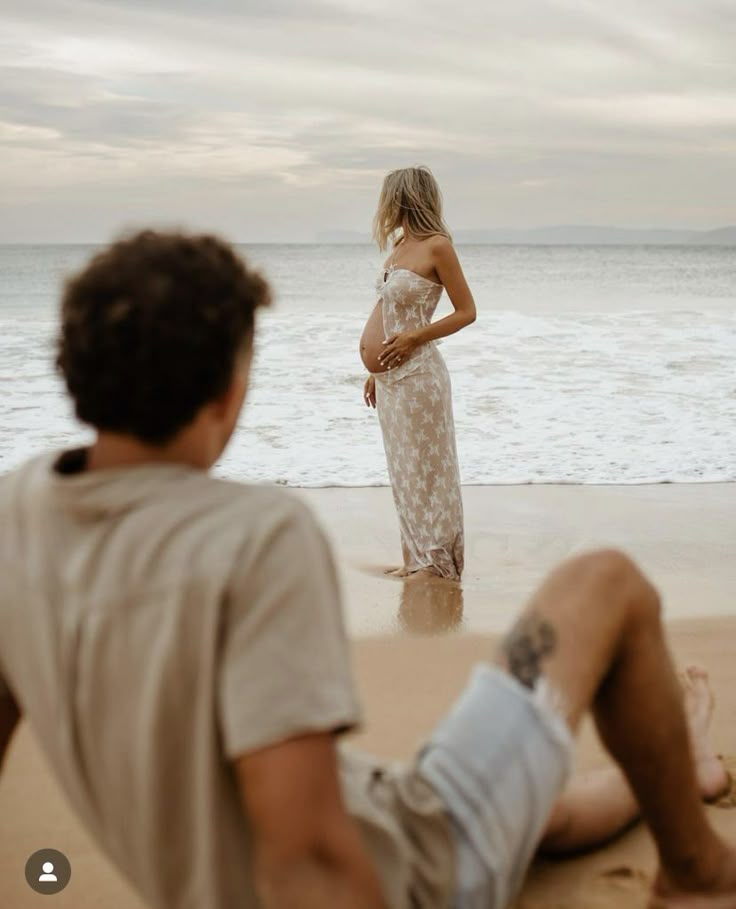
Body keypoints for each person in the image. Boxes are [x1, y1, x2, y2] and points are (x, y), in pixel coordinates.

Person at [0, 230, 734, 909]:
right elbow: (311, 864)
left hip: (372, 804)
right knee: (603, 581)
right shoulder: (257, 538)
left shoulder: (15, 515)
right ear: (228, 391)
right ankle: (695, 873)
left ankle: (681, 761)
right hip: (411, 866)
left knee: (543, 808)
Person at [360, 166, 476, 581]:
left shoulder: (437, 246)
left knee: (429, 468)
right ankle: (415, 556)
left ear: (404, 197)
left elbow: (467, 312)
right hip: (391, 379)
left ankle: (438, 559)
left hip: (420, 376)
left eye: (389, 196)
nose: (384, 205)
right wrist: (375, 369)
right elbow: (388, 313)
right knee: (403, 469)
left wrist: (412, 340)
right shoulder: (398, 246)